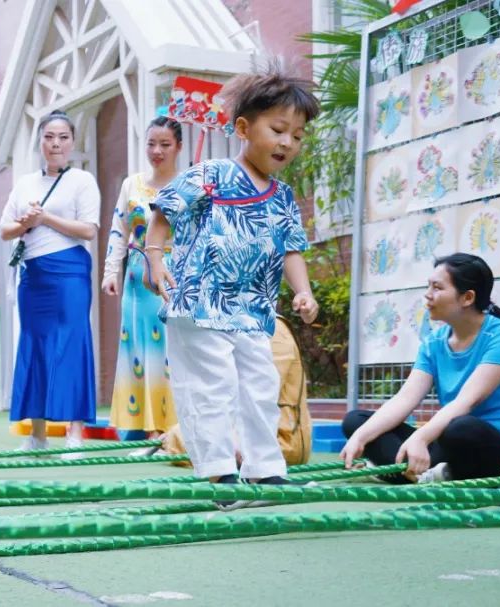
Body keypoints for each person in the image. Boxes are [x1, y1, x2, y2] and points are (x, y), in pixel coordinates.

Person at [145, 65, 320, 493]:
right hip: (200, 302)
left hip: (251, 310)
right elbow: (164, 210)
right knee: (213, 386)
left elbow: (291, 247)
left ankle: (265, 465)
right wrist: (154, 258)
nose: (287, 142)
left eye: (297, 135)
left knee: (261, 385)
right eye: (278, 129)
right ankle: (219, 468)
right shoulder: (213, 174)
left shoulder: (281, 196)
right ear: (243, 127)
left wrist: (304, 291)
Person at [341, 253, 500, 482]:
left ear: (467, 298)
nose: (428, 294)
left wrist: (422, 437)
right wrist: (360, 437)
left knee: (461, 429)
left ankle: (418, 473)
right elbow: (405, 399)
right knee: (356, 421)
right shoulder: (434, 342)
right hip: (452, 440)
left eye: (437, 287)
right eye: (428, 286)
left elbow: (466, 402)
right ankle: (432, 473)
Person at [0, 110, 101, 457]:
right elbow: (4, 230)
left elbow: (88, 229)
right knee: (35, 346)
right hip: (33, 274)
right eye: (48, 137)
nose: (55, 143)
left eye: (62, 137)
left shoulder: (82, 180)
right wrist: (25, 224)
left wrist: (46, 218)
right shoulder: (25, 183)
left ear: (72, 142)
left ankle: (74, 433)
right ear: (40, 141)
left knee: (71, 345)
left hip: (69, 272)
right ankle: (37, 433)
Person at [102, 116, 182, 453]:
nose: (157, 151)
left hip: (175, 278)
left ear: (178, 146)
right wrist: (110, 271)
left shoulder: (188, 183)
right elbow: (119, 229)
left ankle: (173, 430)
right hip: (137, 280)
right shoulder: (131, 185)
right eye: (151, 143)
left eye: (165, 144)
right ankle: (145, 428)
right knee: (139, 352)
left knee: (171, 353)